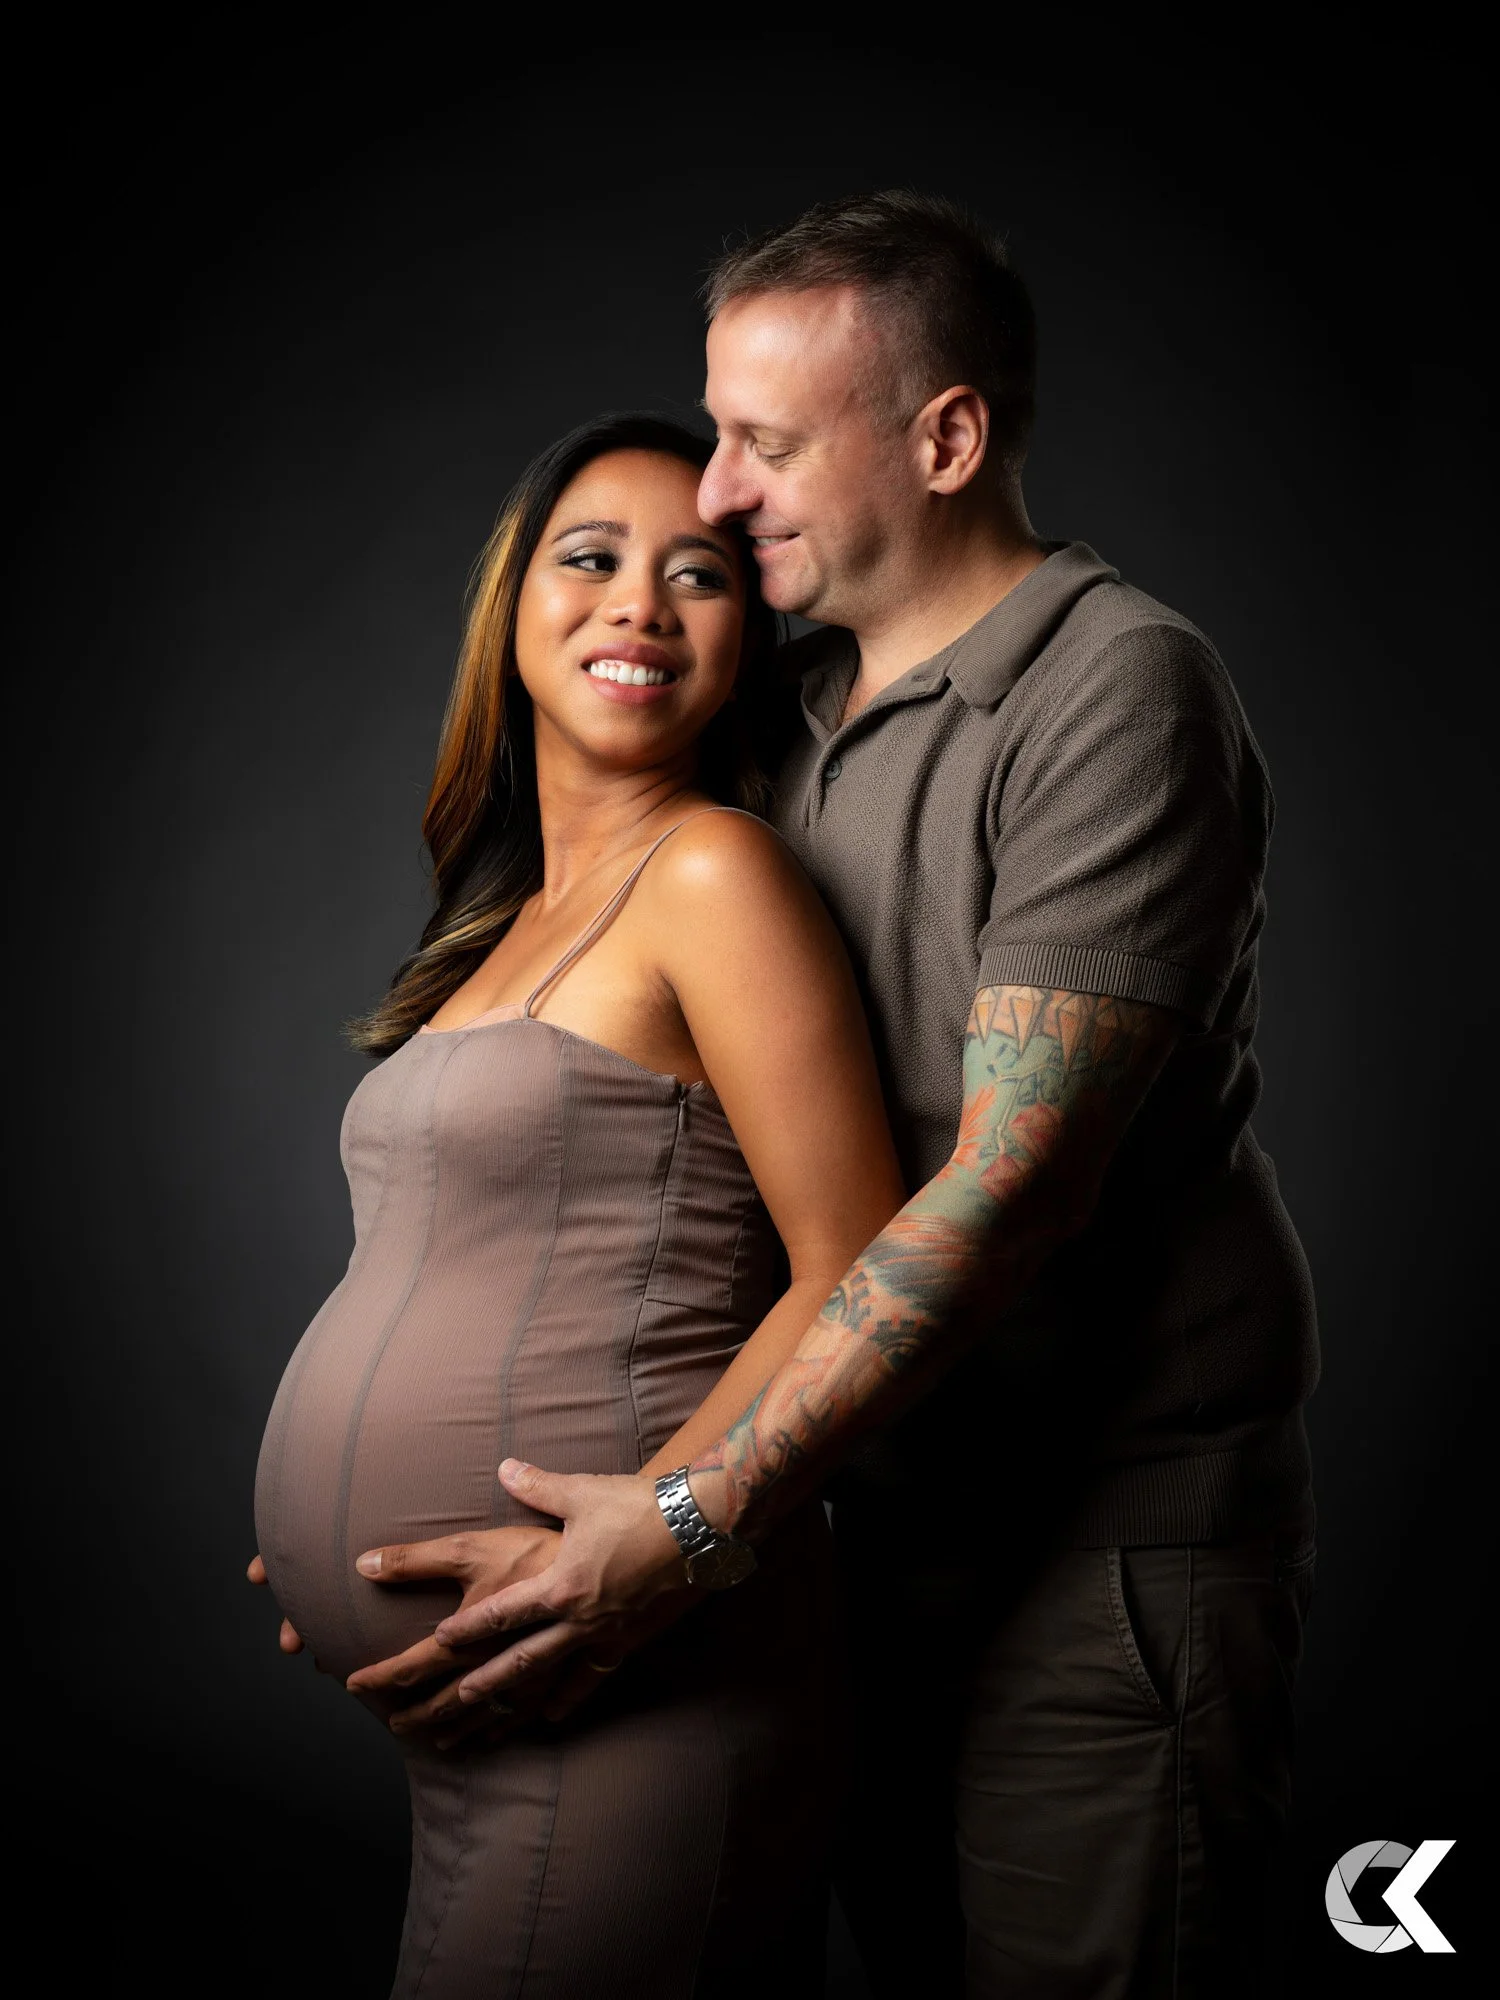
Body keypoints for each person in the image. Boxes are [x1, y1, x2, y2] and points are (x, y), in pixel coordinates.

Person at [362, 195, 1322, 1997]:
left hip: (1089, 1566)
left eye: (765, 444)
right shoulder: (784, 716)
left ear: (948, 439)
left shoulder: (1115, 689)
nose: (717, 494)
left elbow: (1005, 1190)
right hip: (844, 1553)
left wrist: (695, 1520)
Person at [248, 412, 907, 1998]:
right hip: (495, 1688)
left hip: (642, 1666)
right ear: (513, 603)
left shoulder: (713, 874)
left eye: (700, 575)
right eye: (592, 558)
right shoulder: (498, 934)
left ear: (748, 642)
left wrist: (654, 1546)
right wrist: (339, 1539)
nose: (640, 605)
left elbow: (862, 1269)